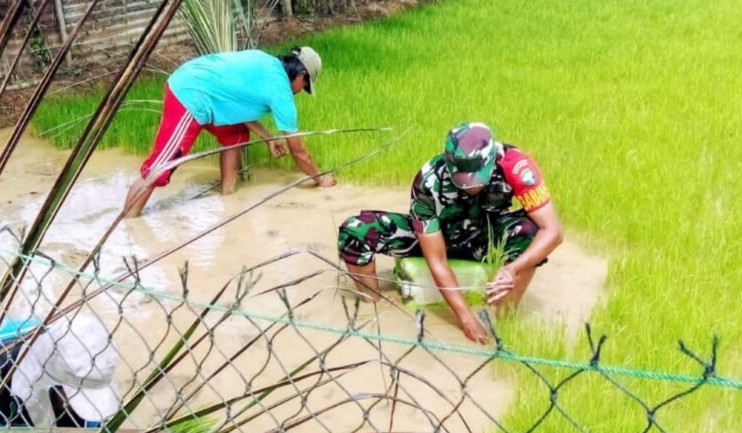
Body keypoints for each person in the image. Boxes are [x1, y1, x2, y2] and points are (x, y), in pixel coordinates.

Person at [337, 121, 564, 342]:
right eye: (462, 180)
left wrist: (513, 269)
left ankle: (504, 325)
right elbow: (437, 259)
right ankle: (372, 306)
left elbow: (553, 231)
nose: (471, 187)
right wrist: (465, 317)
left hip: (486, 236)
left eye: (476, 180)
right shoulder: (428, 180)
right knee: (355, 231)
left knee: (531, 232)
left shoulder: (515, 165)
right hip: (439, 237)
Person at [123, 46, 336, 218]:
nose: (300, 91)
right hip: (191, 93)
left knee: (236, 135)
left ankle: (227, 196)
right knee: (160, 169)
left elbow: (237, 105)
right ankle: (128, 221)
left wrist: (269, 138)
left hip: (206, 92)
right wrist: (321, 179)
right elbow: (299, 153)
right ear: (301, 75)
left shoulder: (266, 62)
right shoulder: (281, 92)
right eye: (305, 86)